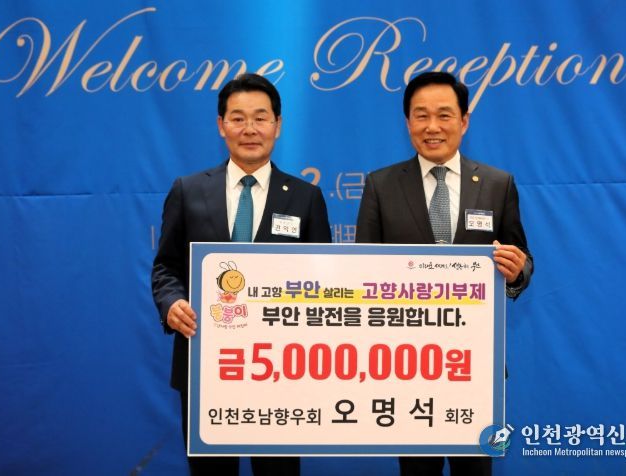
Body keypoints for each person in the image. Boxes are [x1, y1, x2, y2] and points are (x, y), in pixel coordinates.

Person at [151, 73, 331, 476]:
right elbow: (166, 266)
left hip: (282, 370)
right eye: (237, 118)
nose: (250, 129)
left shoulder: (306, 198)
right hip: (207, 365)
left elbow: (323, 283)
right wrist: (172, 303)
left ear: (277, 125)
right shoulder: (188, 190)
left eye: (261, 118)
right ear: (221, 125)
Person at [355, 71, 533, 476]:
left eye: (444, 115)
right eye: (421, 116)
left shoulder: (497, 184)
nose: (432, 126)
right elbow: (361, 271)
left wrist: (516, 271)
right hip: (405, 365)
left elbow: (522, 257)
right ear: (407, 123)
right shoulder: (381, 185)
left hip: (475, 363)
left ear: (464, 121)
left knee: (476, 469)